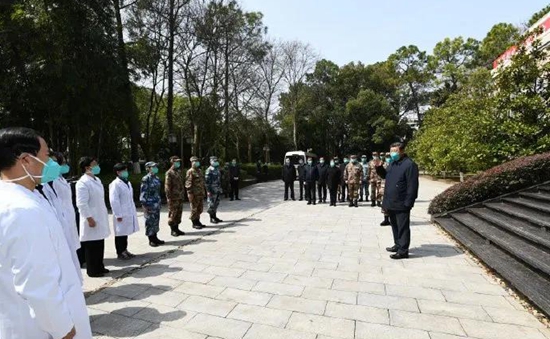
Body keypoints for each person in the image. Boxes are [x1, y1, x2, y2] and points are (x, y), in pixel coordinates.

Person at [0, 127, 92, 339]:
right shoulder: (21, 209)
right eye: (47, 155)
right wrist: (64, 330)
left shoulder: (27, 196)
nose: (51, 162)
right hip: (45, 329)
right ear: (26, 160)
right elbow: (37, 284)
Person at [42, 152, 82, 282]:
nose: (53, 164)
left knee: (71, 256)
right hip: (57, 229)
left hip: (68, 218)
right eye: (50, 161)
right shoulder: (43, 186)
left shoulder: (57, 180)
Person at [375, 142, 419, 260]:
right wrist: (379, 167)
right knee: (394, 225)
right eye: (391, 151)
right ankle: (398, 244)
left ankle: (403, 251)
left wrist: (408, 203)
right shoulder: (393, 163)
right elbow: (386, 176)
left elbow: (412, 186)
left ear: (402, 151)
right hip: (391, 201)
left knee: (403, 227)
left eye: (395, 151)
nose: (393, 153)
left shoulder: (410, 165)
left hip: (402, 202)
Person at [76, 156, 110, 278]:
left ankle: (100, 265)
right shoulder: (82, 183)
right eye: (94, 164)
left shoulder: (97, 180)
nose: (97, 166)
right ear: (87, 167)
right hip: (91, 218)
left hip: (100, 216)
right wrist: (89, 218)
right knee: (92, 246)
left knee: (100, 243)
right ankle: (92, 270)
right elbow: (81, 203)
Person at [109, 163, 139, 260]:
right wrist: (118, 214)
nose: (126, 172)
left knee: (125, 233)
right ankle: (120, 252)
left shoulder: (127, 182)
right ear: (118, 172)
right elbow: (114, 200)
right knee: (120, 234)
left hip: (128, 211)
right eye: (124, 170)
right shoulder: (115, 184)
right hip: (120, 213)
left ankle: (125, 250)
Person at [140, 161, 164, 247]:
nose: (155, 168)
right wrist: (144, 204)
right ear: (148, 168)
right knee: (149, 222)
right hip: (149, 204)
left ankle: (155, 237)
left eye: (155, 167)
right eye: (153, 167)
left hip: (156, 204)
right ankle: (151, 239)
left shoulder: (156, 178)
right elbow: (143, 192)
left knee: (156, 221)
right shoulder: (146, 179)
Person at [165, 156, 186, 237]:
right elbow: (167, 187)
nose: (178, 163)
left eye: (179, 162)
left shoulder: (178, 172)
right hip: (173, 197)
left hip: (179, 196)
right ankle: (172, 230)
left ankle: (177, 228)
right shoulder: (169, 173)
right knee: (173, 213)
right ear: (172, 162)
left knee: (178, 213)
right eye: (176, 162)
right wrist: (169, 197)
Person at [185, 156, 206, 229]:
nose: (197, 162)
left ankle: (198, 221)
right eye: (195, 161)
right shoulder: (190, 171)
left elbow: (202, 182)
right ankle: (194, 222)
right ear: (192, 162)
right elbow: (188, 183)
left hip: (200, 193)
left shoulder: (199, 171)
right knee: (194, 208)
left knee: (200, 209)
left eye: (197, 161)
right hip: (194, 194)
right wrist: (189, 193)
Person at [205, 156, 224, 224]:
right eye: (214, 161)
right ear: (211, 162)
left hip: (217, 189)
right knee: (211, 204)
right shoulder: (209, 170)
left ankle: (215, 216)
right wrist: (208, 191)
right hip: (212, 190)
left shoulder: (217, 169)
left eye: (216, 161)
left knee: (216, 203)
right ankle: (211, 218)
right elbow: (207, 182)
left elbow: (219, 180)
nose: (216, 162)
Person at [380, 153, 392, 226]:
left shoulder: (395, 165)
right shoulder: (383, 165)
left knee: (392, 203)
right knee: (384, 203)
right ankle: (386, 219)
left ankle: (393, 219)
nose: (388, 158)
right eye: (387, 157)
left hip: (393, 187)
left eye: (389, 157)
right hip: (384, 186)